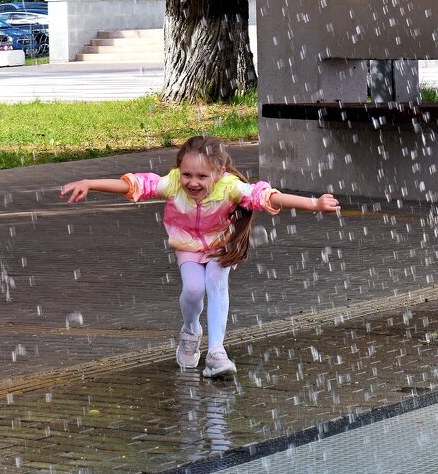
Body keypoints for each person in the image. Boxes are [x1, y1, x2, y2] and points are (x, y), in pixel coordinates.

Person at [60, 136, 341, 378]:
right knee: (193, 290)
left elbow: (266, 197)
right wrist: (90, 182)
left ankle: (216, 351)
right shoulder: (171, 184)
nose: (192, 183)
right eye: (187, 175)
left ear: (218, 173)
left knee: (216, 285)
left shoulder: (230, 187)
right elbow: (134, 185)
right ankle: (191, 331)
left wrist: (313, 203)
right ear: (178, 171)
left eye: (201, 177)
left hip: (220, 243)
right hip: (188, 245)